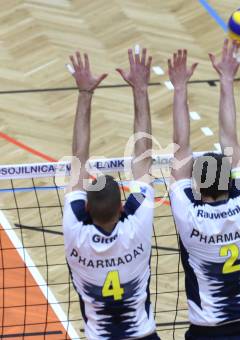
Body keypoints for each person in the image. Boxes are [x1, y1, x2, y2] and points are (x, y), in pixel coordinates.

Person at [168, 41, 240, 340]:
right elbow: (230, 139)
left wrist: (180, 87)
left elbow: (181, 148)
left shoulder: (189, 216)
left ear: (196, 186)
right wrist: (227, 79)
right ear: (229, 181)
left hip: (207, 332)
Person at [63, 48, 160, 340]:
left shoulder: (75, 234)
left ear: (87, 210)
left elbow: (78, 158)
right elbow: (143, 156)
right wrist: (140, 89)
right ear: (122, 208)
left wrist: (85, 93)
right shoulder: (137, 226)